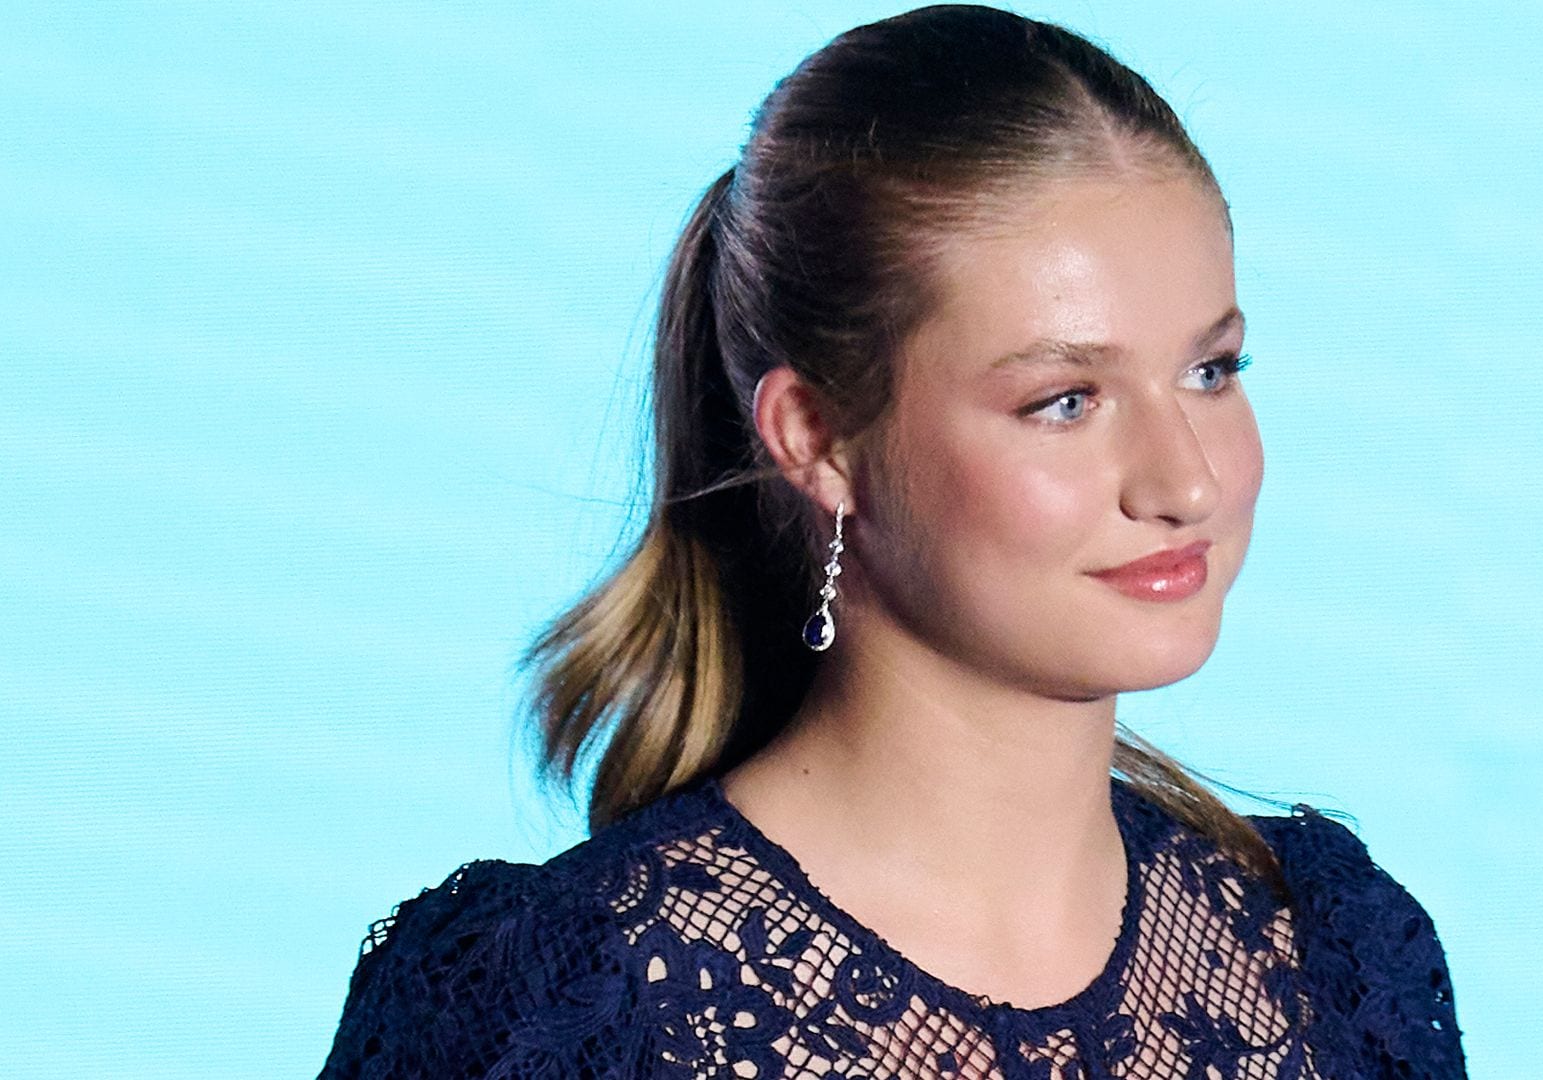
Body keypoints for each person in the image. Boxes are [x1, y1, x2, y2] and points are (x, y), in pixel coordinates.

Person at [316, 5, 1466, 1077]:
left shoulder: (1327, 959)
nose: (1188, 479)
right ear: (816, 438)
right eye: (1065, 399)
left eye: (1210, 371)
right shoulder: (553, 1007)